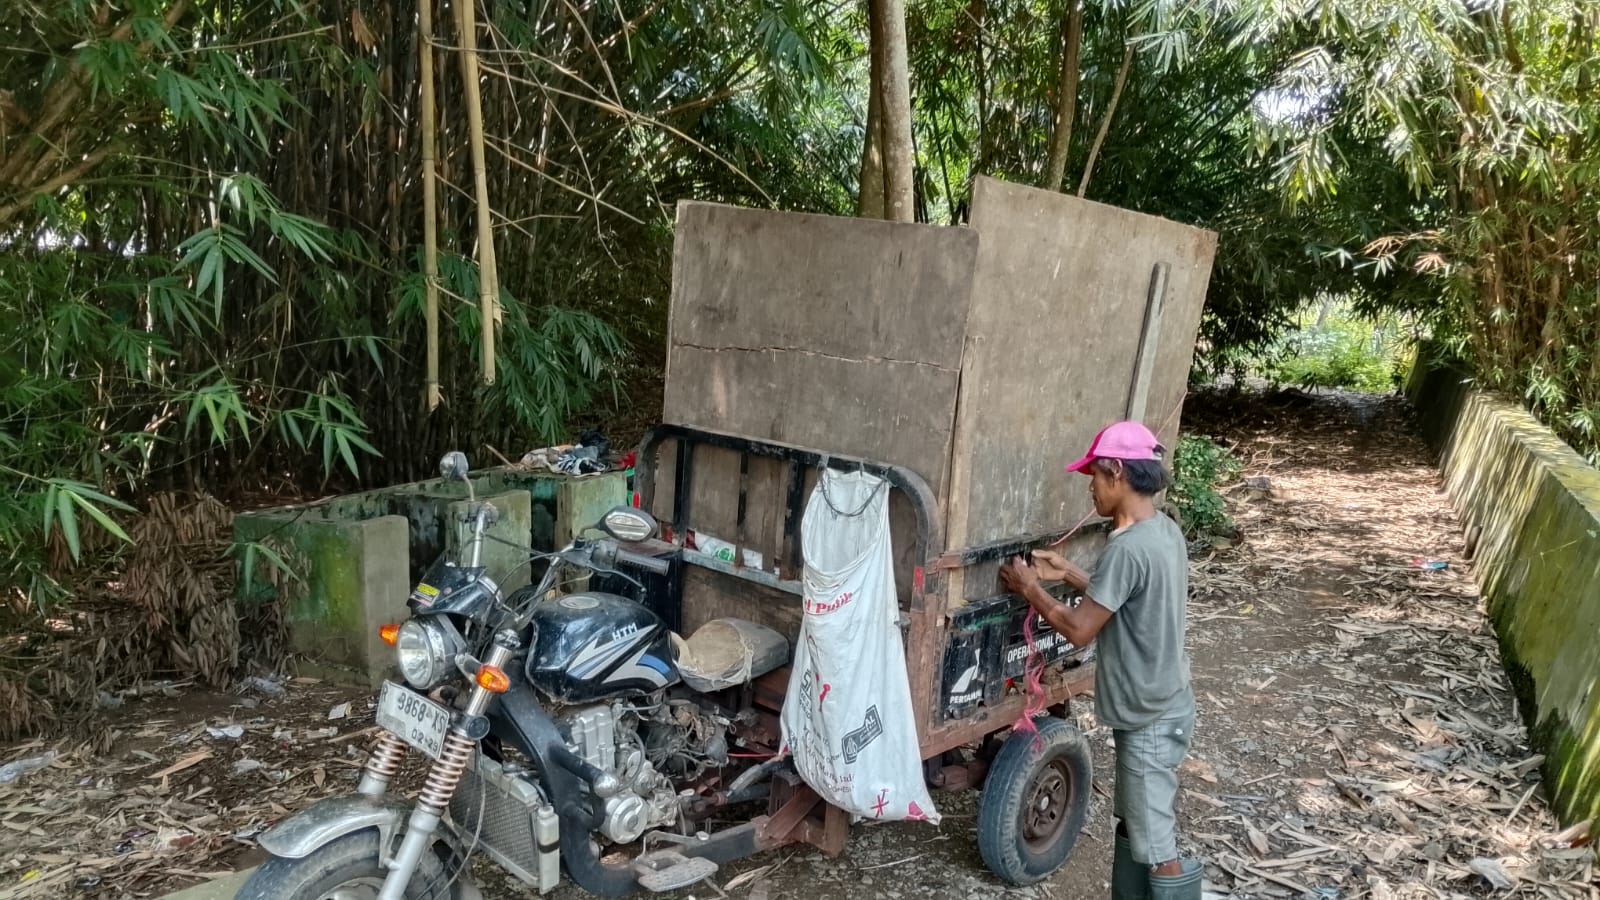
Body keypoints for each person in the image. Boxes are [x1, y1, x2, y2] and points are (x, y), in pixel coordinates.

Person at [999, 420, 1201, 900]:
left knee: (1158, 848)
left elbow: (1079, 629)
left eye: (1094, 476)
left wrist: (1031, 589)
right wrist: (1068, 571)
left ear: (1117, 472)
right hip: (1164, 704)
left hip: (1149, 720)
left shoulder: (1127, 547)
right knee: (1137, 827)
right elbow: (1125, 599)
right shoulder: (1163, 530)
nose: (1090, 488)